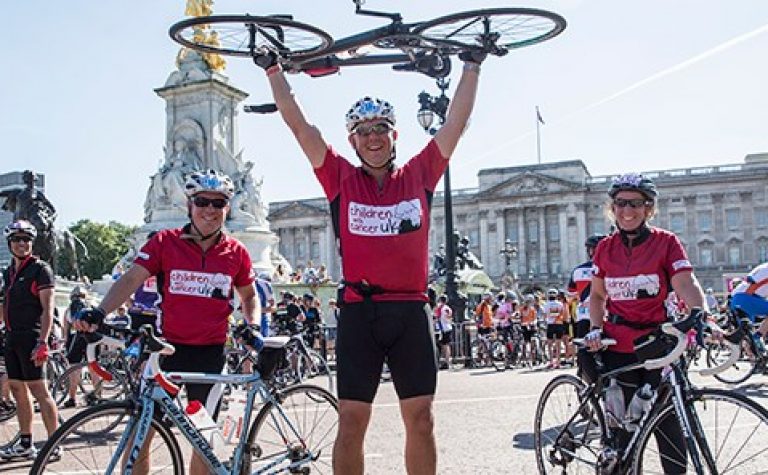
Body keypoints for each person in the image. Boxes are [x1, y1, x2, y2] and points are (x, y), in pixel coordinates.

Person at [258, 41, 484, 473]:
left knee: (420, 420)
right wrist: (273, 72)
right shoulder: (339, 177)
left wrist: (471, 66)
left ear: (394, 134)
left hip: (410, 311)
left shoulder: (419, 173)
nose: (373, 136)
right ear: (353, 141)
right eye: (363, 131)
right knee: (352, 421)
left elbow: (456, 122)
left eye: (381, 127)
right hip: (361, 313)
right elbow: (300, 126)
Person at [74, 169, 261, 475]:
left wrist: (251, 325)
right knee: (142, 432)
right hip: (165, 352)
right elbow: (132, 278)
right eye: (202, 201)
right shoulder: (164, 242)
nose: (210, 210)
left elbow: (249, 296)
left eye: (218, 203)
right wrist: (100, 311)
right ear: (190, 206)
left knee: (203, 440)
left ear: (227, 208)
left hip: (209, 355)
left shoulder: (236, 252)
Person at [583, 173, 708, 473]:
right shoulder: (605, 248)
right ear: (612, 208)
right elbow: (597, 297)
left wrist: (699, 311)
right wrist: (595, 330)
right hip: (619, 345)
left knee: (669, 429)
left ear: (649, 208)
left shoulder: (666, 242)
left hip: (657, 345)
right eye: (621, 203)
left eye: (636, 203)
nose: (627, 211)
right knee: (624, 439)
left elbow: (685, 282)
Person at [0, 220, 59, 460]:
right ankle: (26, 443)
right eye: (17, 239)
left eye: (26, 239)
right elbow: (5, 304)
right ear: (9, 243)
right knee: (16, 389)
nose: (22, 243)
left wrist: (43, 341)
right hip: (12, 337)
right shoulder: (9, 272)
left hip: (33, 336)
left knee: (39, 390)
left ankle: (55, 442)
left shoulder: (40, 269)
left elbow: (48, 308)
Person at [568, 234, 607, 339]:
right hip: (607, 316)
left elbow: (572, 293)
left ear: (590, 251)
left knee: (583, 349)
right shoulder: (613, 269)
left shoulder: (577, 271)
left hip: (584, 316)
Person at [729, 262, 768, 342]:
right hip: (747, 299)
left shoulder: (763, 266)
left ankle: (751, 345)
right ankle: (757, 338)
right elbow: (753, 283)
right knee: (751, 334)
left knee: (747, 335)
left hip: (737, 299)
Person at [542, 288, 565, 369]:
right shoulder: (560, 304)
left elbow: (545, 316)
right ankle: (558, 362)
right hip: (559, 324)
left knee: (550, 344)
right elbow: (563, 314)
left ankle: (551, 361)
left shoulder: (546, 304)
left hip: (550, 324)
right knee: (558, 344)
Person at [433, 295, 454, 370]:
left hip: (442, 328)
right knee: (446, 345)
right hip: (447, 327)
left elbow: (436, 317)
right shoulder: (448, 308)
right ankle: (447, 361)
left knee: (443, 345)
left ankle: (446, 362)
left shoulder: (441, 308)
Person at [255, 272, 275, 337]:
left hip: (262, 320)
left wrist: (257, 310)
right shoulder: (244, 284)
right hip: (249, 321)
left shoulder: (263, 285)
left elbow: (273, 308)